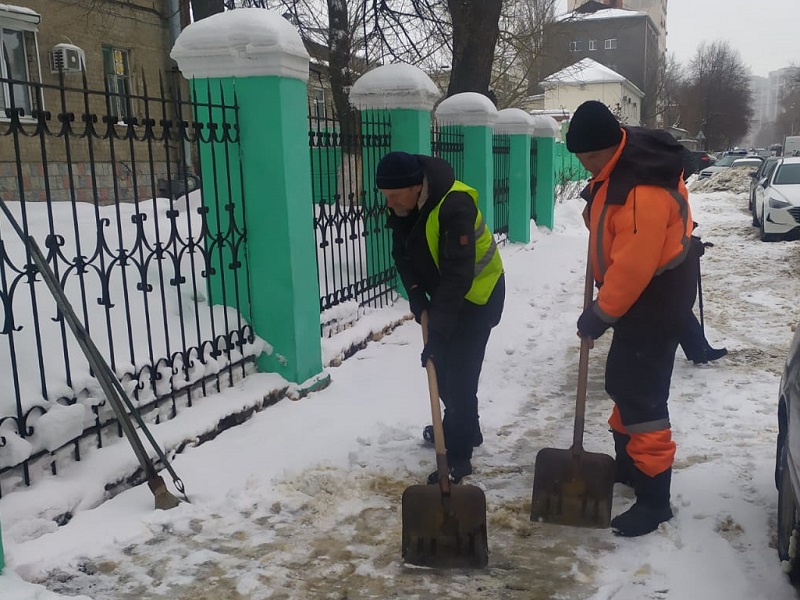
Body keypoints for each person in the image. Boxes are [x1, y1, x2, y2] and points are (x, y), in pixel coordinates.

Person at [568, 101, 699, 537]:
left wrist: (599, 315)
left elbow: (634, 267)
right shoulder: (620, 163)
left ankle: (655, 499)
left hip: (654, 297)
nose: (586, 167)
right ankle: (628, 466)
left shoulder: (641, 192)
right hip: (642, 295)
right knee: (623, 382)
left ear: (612, 144)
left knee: (642, 398)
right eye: (580, 159)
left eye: (590, 159)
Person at [375, 151, 505, 485]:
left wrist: (437, 335)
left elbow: (458, 275)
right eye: (385, 197)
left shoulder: (454, 205)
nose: (389, 204)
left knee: (458, 374)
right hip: (447, 295)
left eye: (393, 196)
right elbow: (402, 256)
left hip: (478, 295)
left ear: (416, 186)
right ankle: (466, 428)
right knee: (444, 372)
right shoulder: (406, 207)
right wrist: (416, 294)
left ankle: (458, 457)